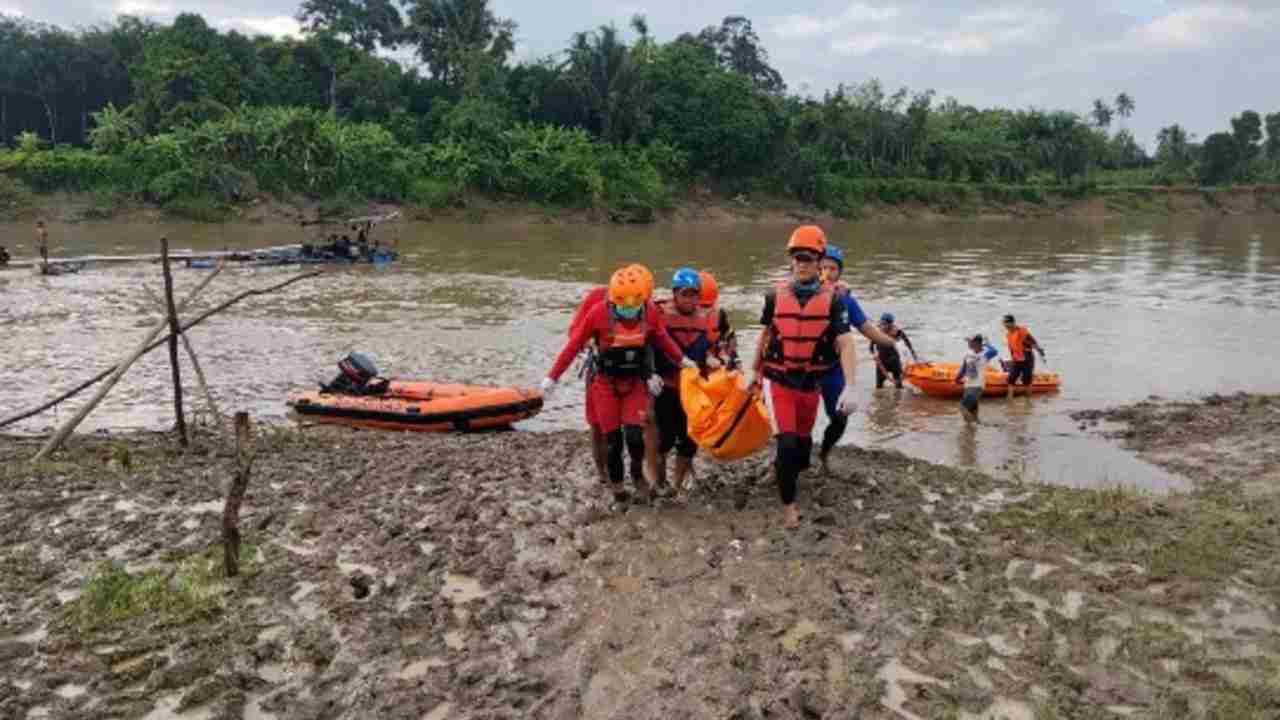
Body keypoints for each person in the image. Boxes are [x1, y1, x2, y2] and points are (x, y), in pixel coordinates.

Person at [543, 265, 694, 504]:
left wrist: (683, 361)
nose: (628, 311)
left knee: (635, 437)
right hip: (605, 383)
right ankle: (616, 486)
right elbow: (573, 345)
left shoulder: (650, 312)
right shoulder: (597, 311)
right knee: (612, 439)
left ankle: (636, 474)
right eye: (623, 306)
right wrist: (552, 378)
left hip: (635, 382)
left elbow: (662, 339)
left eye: (634, 307)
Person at [750, 225, 859, 529]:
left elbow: (847, 343)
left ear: (819, 260)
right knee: (785, 443)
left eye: (808, 258)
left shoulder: (835, 300)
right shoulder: (774, 296)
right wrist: (752, 371)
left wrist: (851, 385)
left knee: (800, 445)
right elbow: (766, 335)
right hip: (778, 378)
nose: (801, 263)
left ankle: (793, 469)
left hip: (811, 383)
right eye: (796, 257)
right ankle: (788, 506)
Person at [567, 265, 659, 488]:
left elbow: (658, 334)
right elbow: (574, 333)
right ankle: (603, 474)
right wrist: (593, 344)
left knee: (642, 423)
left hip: (636, 372)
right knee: (599, 426)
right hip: (602, 370)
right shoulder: (598, 298)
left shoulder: (647, 305)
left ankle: (640, 471)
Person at [815, 244, 899, 474]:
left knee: (840, 418)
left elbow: (865, 327)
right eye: (822, 268)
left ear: (840, 272)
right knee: (799, 422)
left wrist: (889, 342)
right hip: (807, 369)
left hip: (833, 369)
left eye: (832, 268)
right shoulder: (804, 294)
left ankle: (824, 451)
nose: (827, 273)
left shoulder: (845, 300)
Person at [652, 268, 719, 497]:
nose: (689, 300)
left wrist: (713, 358)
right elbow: (648, 347)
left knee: (690, 440)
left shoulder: (707, 319)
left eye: (693, 295)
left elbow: (712, 348)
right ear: (674, 294)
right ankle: (659, 481)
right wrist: (650, 375)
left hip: (693, 389)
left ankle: (677, 486)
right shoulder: (659, 314)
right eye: (684, 294)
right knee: (664, 439)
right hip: (666, 387)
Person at [955, 335, 999, 422]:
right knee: (972, 411)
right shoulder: (967, 354)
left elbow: (995, 351)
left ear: (978, 343)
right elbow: (963, 369)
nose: (969, 343)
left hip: (977, 386)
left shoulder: (985, 355)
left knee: (963, 407)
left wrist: (986, 344)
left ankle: (973, 426)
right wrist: (957, 379)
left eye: (971, 341)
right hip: (968, 385)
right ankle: (974, 429)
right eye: (969, 341)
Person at [1002, 314, 1046, 399]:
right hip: (1016, 359)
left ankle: (1028, 401)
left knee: (1026, 380)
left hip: (1027, 358)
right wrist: (1012, 359)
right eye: (1004, 323)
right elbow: (1011, 348)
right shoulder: (1008, 334)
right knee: (1011, 379)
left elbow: (1033, 341)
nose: (1005, 325)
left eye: (1007, 323)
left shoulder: (1021, 331)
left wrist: (1039, 350)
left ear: (1013, 322)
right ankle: (1009, 399)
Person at [870, 312, 918, 389]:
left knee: (899, 386)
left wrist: (915, 358)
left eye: (885, 324)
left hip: (894, 361)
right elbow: (871, 347)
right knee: (879, 387)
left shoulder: (898, 332)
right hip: (882, 362)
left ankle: (898, 400)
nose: (883, 326)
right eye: (882, 323)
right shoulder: (877, 332)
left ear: (891, 324)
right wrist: (874, 356)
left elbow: (908, 345)